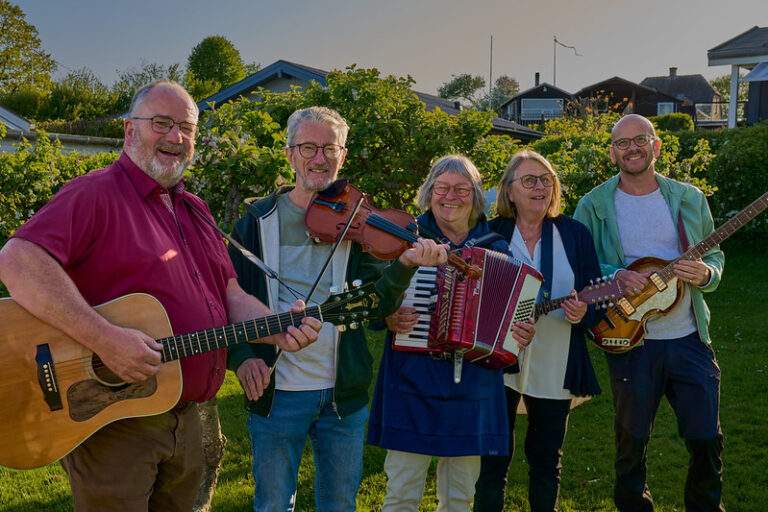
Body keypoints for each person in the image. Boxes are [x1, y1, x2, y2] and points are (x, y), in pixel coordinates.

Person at [0, 81, 321, 511]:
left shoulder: (196, 209)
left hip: (187, 415)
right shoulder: (94, 193)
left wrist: (276, 327)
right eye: (162, 124)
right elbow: (18, 260)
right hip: (115, 420)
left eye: (186, 128)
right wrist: (104, 339)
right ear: (130, 131)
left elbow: (228, 292)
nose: (176, 137)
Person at [225, 106, 448, 512]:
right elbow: (224, 298)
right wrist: (241, 358)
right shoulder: (256, 223)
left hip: (342, 394)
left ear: (342, 156)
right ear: (290, 154)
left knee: (341, 505)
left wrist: (405, 265)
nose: (319, 158)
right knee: (272, 505)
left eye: (330, 148)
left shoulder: (358, 222)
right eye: (308, 147)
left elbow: (377, 304)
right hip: (277, 394)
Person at [573, 114, 726, 512]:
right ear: (612, 153)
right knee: (631, 442)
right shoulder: (593, 205)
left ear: (656, 146)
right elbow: (579, 266)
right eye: (622, 143)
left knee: (706, 438)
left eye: (640, 140)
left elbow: (714, 254)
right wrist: (616, 275)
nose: (632, 149)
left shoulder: (688, 198)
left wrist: (707, 272)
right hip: (629, 338)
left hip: (689, 336)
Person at [367, 154, 536, 511]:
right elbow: (373, 303)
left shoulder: (495, 246)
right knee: (401, 493)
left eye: (461, 189)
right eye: (441, 188)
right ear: (429, 193)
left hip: (472, 383)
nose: (450, 196)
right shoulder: (404, 237)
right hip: (411, 380)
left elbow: (511, 313)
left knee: (460, 496)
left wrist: (519, 330)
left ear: (474, 196)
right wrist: (390, 316)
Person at [473, 150, 603, 512]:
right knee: (492, 462)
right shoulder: (489, 232)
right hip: (496, 363)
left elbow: (595, 302)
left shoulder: (574, 234)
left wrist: (582, 312)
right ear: (509, 192)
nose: (540, 187)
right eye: (529, 180)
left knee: (547, 461)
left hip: (556, 361)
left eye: (546, 180)